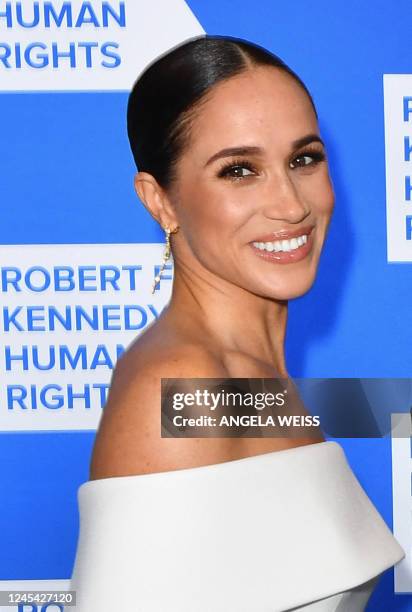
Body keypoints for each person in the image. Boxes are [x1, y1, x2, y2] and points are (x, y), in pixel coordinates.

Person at [68, 34, 405, 611]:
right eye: (240, 170)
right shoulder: (182, 390)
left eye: (303, 159)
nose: (291, 204)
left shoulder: (243, 380)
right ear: (161, 201)